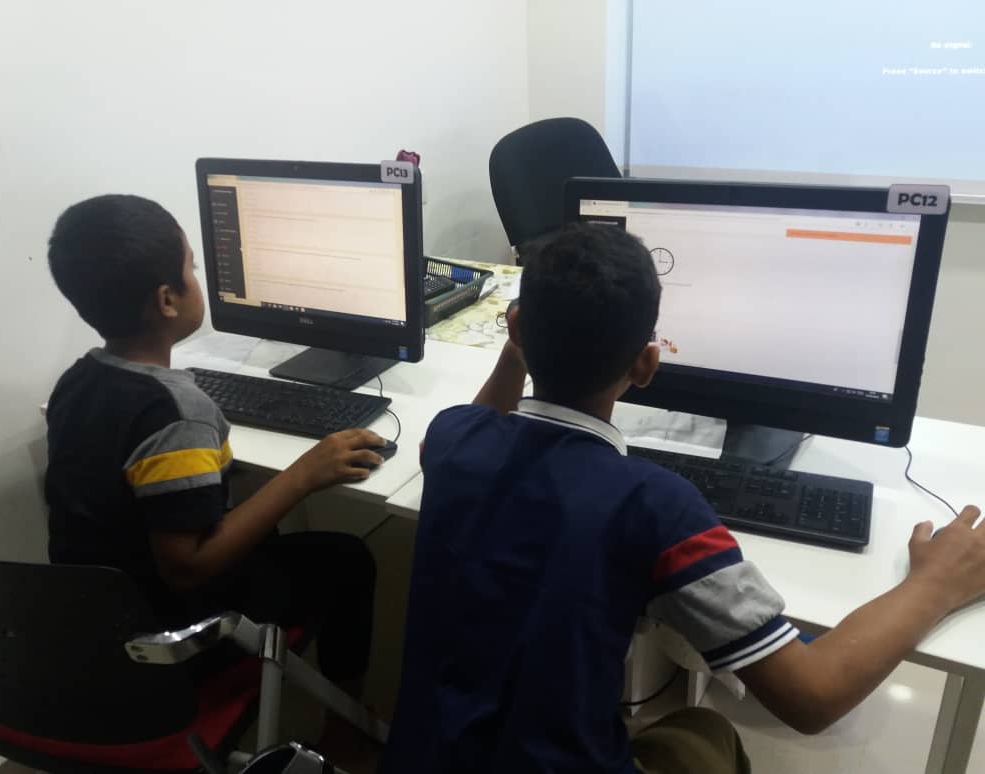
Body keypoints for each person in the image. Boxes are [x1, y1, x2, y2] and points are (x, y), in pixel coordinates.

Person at [378, 222, 985, 774]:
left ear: (514, 328)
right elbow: (813, 696)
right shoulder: (655, 505)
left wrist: (522, 345)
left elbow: (470, 428)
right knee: (705, 732)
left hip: (420, 758)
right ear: (646, 364)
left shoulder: (454, 441)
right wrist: (935, 584)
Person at [44, 194, 383, 709]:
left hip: (94, 621)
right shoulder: (178, 413)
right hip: (171, 636)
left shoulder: (75, 382)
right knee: (347, 559)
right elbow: (187, 568)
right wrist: (303, 475)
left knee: (265, 529)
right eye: (192, 268)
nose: (197, 277)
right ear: (167, 300)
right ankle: (348, 726)